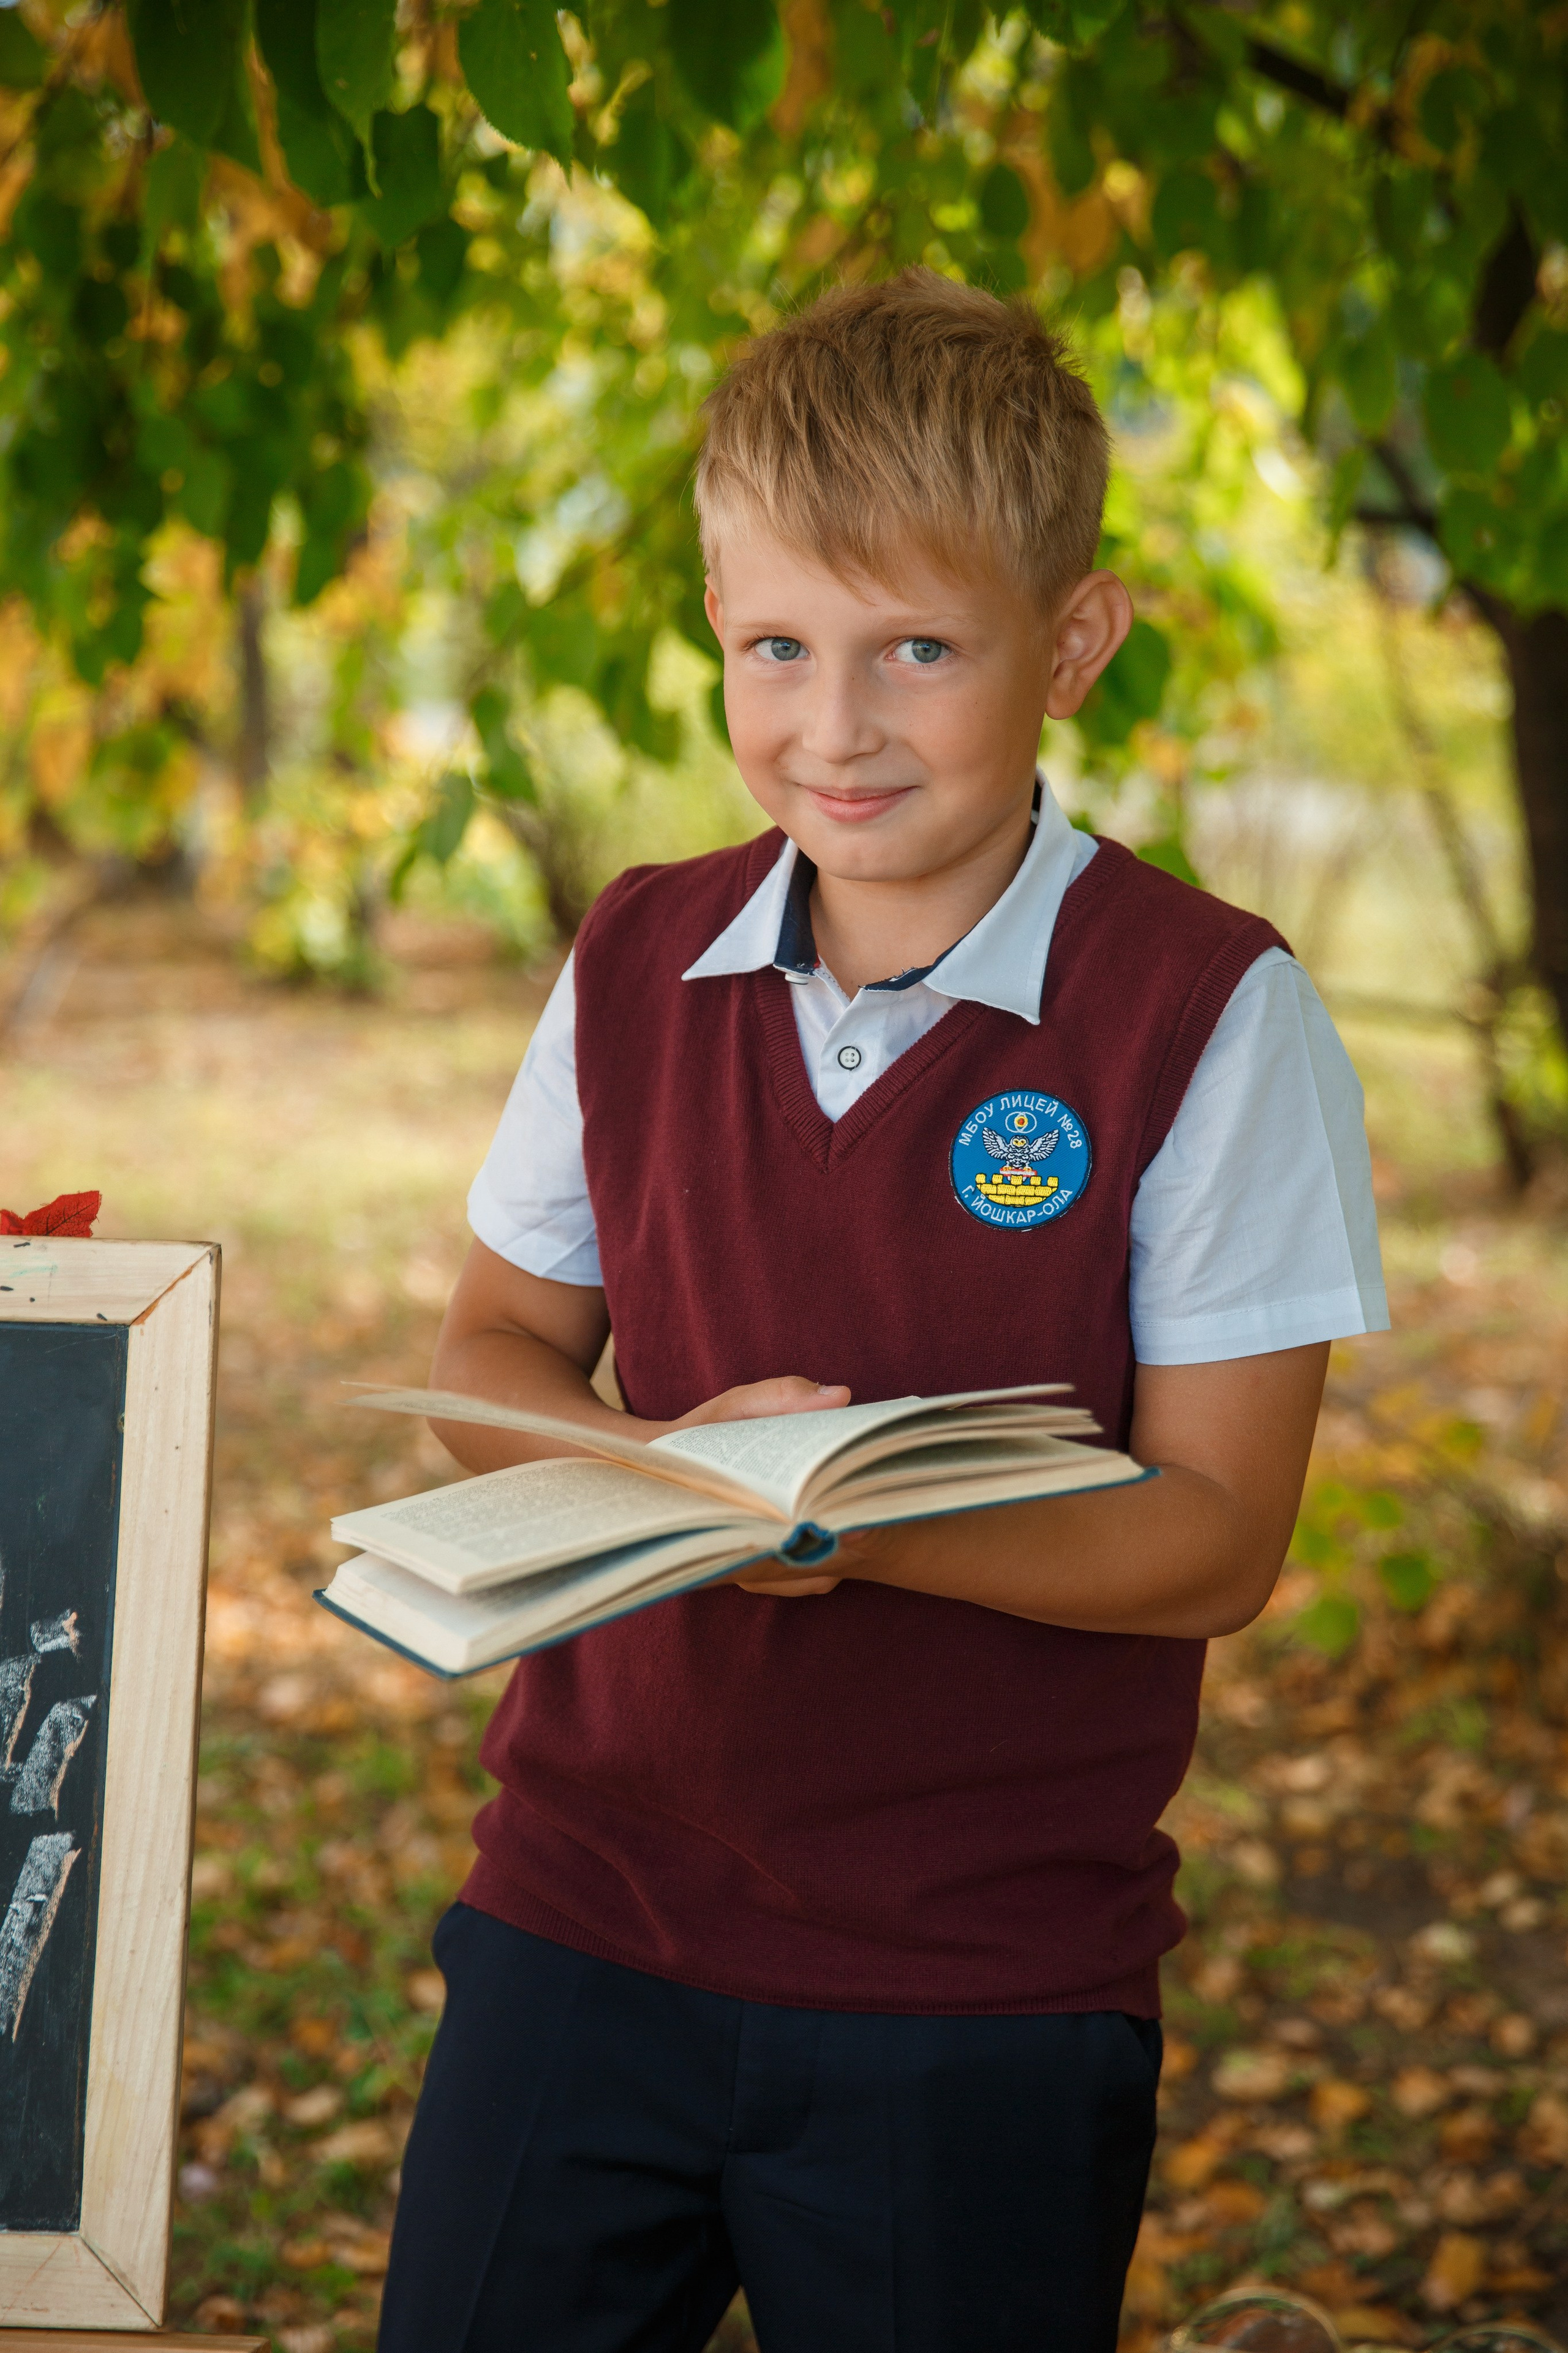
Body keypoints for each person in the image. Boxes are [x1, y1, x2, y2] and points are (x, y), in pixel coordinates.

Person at [378, 269, 1387, 2353]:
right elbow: (488, 1358)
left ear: (1071, 642)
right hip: (583, 1918)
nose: (832, 728)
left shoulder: (1206, 1008)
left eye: (917, 649)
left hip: (979, 1985)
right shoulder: (637, 954)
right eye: (776, 647)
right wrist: (676, 1478)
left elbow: (1217, 1534)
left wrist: (845, 1513)